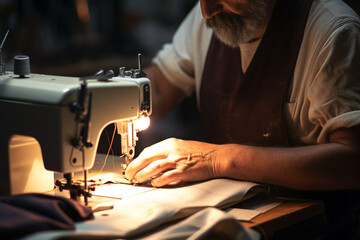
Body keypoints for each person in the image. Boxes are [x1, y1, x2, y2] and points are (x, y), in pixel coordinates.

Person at [125, 0, 360, 193]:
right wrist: (106, 97)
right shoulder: (209, 14)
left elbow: (352, 160)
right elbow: (159, 87)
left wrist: (217, 159)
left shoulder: (333, 30)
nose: (206, 12)